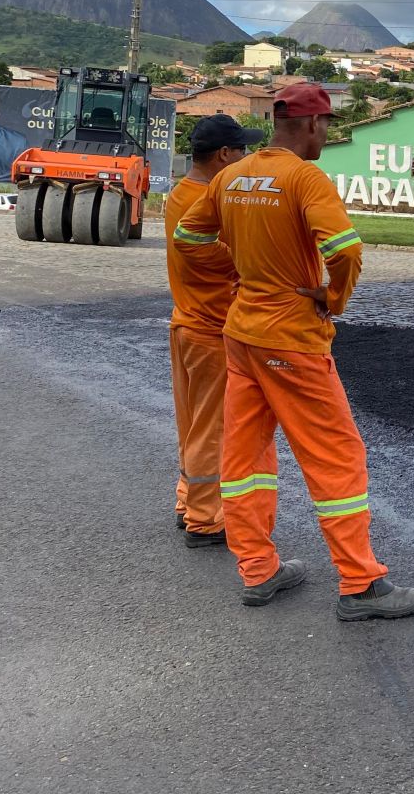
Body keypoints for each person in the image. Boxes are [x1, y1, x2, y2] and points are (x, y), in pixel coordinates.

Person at [175, 83, 414, 619]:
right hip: (291, 340)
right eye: (329, 126)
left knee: (244, 457)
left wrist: (245, 271)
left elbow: (186, 236)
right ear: (313, 125)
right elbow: (344, 247)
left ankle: (258, 571)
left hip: (241, 337)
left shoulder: (232, 177)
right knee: (336, 456)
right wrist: (331, 298)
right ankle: (360, 584)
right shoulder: (304, 177)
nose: (328, 135)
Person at [164, 114, 262, 547]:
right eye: (242, 151)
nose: (245, 158)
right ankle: (206, 518)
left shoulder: (179, 194)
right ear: (225, 154)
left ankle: (189, 501)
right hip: (211, 329)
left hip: (186, 323)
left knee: (192, 424)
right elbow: (236, 258)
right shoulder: (207, 203)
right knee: (212, 428)